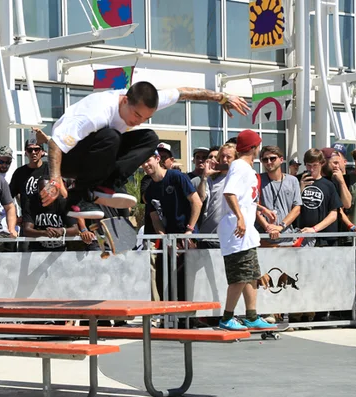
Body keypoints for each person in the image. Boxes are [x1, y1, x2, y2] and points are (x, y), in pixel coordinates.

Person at [41, 81, 250, 218]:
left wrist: (222, 97)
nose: (138, 121)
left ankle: (106, 184)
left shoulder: (144, 102)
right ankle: (78, 197)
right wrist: (54, 178)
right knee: (111, 136)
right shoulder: (96, 112)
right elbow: (55, 144)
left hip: (97, 153)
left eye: (144, 117)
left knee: (149, 137)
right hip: (68, 158)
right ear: (125, 100)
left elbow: (184, 92)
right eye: (136, 116)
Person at [216, 130, 275, 331]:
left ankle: (251, 316)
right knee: (239, 276)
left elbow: (242, 198)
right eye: (258, 146)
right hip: (236, 231)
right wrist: (240, 217)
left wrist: (260, 208)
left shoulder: (244, 168)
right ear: (252, 148)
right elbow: (229, 193)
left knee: (251, 275)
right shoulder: (240, 167)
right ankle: (226, 318)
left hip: (245, 232)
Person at [142, 150, 202, 301]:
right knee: (163, 281)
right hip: (169, 241)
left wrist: (189, 230)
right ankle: (167, 318)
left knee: (185, 282)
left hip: (186, 237)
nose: (145, 165)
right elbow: (155, 219)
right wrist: (165, 239)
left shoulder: (176, 177)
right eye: (142, 162)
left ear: (157, 159)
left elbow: (197, 202)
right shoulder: (150, 190)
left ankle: (187, 320)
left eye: (148, 160)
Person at [21, 173, 81, 252]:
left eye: (48, 191)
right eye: (42, 192)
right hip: (36, 250)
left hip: (60, 251)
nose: (45, 195)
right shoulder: (31, 202)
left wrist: (61, 231)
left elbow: (75, 230)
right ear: (38, 190)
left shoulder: (63, 202)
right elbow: (27, 230)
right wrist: (44, 233)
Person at [256, 145, 301, 245]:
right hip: (264, 238)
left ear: (281, 160)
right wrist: (268, 227)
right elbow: (255, 208)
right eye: (265, 159)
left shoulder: (292, 181)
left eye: (272, 158)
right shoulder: (257, 180)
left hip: (287, 238)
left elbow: (297, 208)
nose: (268, 162)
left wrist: (281, 226)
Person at [297, 148, 342, 247]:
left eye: (315, 165)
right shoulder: (297, 181)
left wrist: (314, 229)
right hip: (301, 236)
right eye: (309, 165)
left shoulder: (329, 185)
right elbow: (291, 207)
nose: (311, 169)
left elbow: (334, 214)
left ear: (322, 164)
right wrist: (300, 189)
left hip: (324, 238)